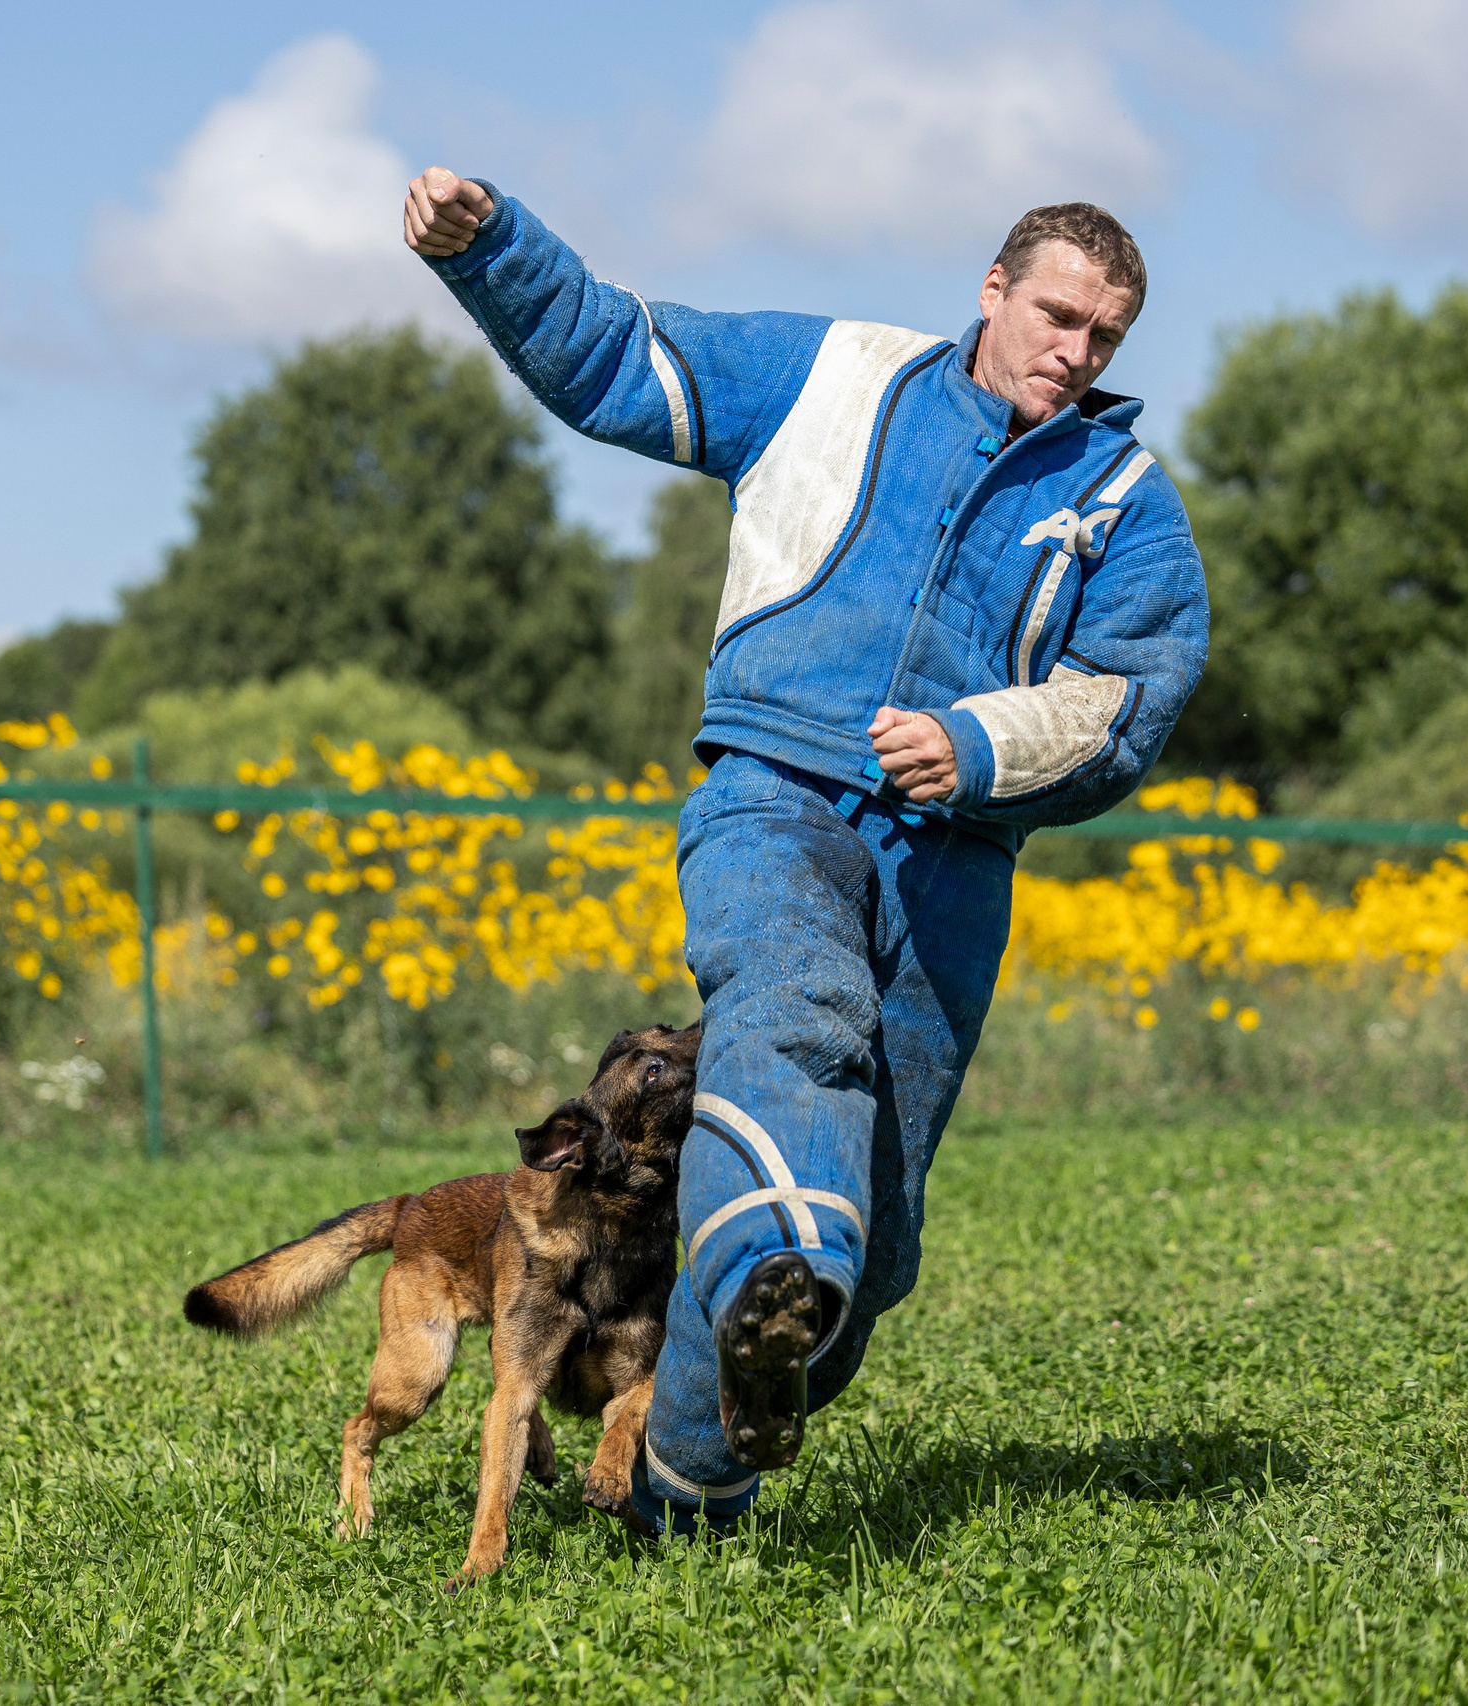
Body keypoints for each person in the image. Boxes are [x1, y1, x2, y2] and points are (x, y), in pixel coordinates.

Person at [404, 168, 1208, 1534]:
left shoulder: (1125, 500)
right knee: (793, 1016)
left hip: (955, 865)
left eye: (1106, 336)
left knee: (875, 1236)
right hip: (773, 794)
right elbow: (620, 355)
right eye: (1058, 316)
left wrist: (978, 743)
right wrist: (490, 249)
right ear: (993, 291)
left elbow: (1128, 696)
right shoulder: (833, 376)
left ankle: (685, 1476)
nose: (1077, 353)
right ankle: (774, 1267)